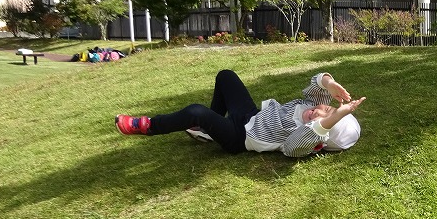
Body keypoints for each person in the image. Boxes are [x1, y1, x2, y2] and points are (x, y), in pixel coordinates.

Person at [115, 69, 364, 158]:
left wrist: (332, 119)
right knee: (226, 76)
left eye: (326, 120)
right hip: (249, 116)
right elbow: (316, 83)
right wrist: (330, 83)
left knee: (195, 111)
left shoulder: (305, 140)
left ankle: (148, 126)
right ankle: (207, 130)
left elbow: (293, 148)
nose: (318, 112)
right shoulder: (314, 104)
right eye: (326, 108)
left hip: (239, 138)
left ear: (321, 138)